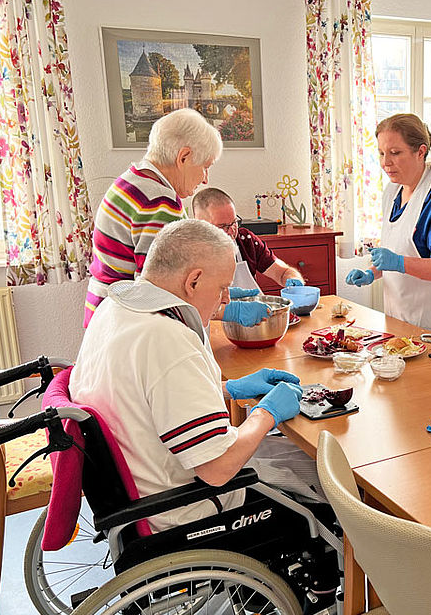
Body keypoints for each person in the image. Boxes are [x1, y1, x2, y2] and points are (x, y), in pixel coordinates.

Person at [71, 219, 311, 532]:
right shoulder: (166, 338)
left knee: (282, 458)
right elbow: (218, 469)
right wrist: (267, 413)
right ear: (193, 281)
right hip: (181, 511)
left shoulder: (113, 309)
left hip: (132, 489)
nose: (225, 299)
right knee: (315, 493)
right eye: (223, 287)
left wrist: (228, 389)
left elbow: (150, 395)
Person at [84, 109, 221, 327]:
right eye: (205, 167)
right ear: (183, 157)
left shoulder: (131, 180)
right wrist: (220, 305)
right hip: (126, 322)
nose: (205, 179)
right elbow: (159, 290)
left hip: (104, 312)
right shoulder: (160, 202)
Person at [345, 113, 431, 331]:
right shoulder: (393, 191)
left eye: (395, 153)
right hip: (399, 319)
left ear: (420, 152)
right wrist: (372, 273)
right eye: (382, 153)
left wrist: (399, 263)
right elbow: (396, 251)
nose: (386, 162)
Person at [192, 187, 305, 291]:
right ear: (201, 225)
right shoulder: (189, 252)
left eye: (234, 222)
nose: (232, 231)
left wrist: (293, 279)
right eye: (223, 226)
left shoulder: (246, 240)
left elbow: (282, 272)